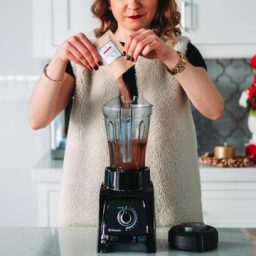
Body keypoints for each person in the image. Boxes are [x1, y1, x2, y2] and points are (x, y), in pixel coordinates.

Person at [29, 0, 224, 227]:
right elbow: (37, 119)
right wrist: (59, 58)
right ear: (107, 3)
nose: (133, 4)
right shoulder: (85, 55)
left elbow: (214, 109)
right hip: (89, 214)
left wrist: (168, 55)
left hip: (170, 212)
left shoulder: (179, 50)